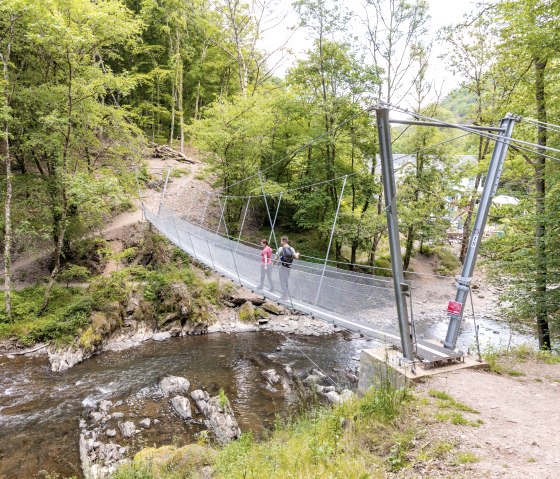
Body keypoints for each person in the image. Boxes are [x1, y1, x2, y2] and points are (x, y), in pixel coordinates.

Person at [275, 236, 299, 301]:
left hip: (281, 267)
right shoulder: (292, 249)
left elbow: (276, 258)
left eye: (281, 241)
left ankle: (284, 295)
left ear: (284, 241)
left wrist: (273, 264)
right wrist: (297, 253)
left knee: (282, 281)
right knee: (286, 281)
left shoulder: (280, 248)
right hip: (288, 267)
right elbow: (296, 257)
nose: (280, 242)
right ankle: (285, 295)